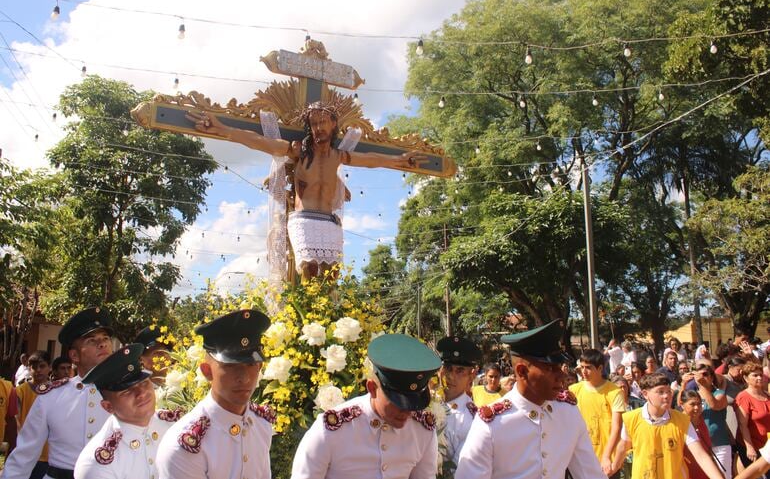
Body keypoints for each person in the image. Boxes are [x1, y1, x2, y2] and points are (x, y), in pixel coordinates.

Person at [186, 102, 426, 280]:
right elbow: (258, 141)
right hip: (304, 220)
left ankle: (325, 325)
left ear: (333, 124)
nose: (318, 127)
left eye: (323, 122)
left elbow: (372, 158)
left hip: (330, 221)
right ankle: (306, 325)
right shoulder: (298, 151)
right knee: (308, 269)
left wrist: (400, 160)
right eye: (313, 123)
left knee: (332, 276)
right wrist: (222, 129)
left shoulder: (339, 156)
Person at [456, 319, 605, 479]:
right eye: (550, 368)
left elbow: (590, 473)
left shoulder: (568, 412)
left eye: (559, 366)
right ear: (522, 372)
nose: (561, 375)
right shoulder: (491, 424)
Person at [291, 333, 441, 479]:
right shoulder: (332, 430)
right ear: (372, 388)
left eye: (414, 404)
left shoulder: (422, 431)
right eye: (398, 403)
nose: (407, 412)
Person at [157, 309, 274, 479]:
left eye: (251, 364)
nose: (244, 377)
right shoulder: (185, 446)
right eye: (231, 366)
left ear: (260, 367)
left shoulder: (261, 424)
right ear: (207, 371)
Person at [3, 308, 114, 479]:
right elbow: (23, 456)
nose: (102, 344)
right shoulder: (51, 397)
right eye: (92, 340)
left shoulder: (128, 394)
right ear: (74, 355)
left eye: (106, 338)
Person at [74, 344, 181, 479]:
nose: (141, 393)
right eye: (127, 391)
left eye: (144, 383)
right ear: (108, 406)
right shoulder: (97, 462)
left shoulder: (175, 424)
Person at [610, 373, 725, 479]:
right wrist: (613, 468)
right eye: (660, 392)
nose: (666, 396)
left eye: (668, 391)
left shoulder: (682, 420)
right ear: (645, 394)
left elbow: (700, 455)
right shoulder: (631, 418)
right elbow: (623, 447)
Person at [570, 348, 625, 477]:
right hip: (581, 460)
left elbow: (616, 428)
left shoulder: (615, 392)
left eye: (588, 367)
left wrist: (606, 456)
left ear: (600, 368)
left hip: (606, 461)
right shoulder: (573, 391)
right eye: (582, 367)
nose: (584, 371)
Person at [436, 336, 482, 473]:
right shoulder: (425, 402)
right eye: (448, 368)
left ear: (471, 375)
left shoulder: (472, 419)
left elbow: (457, 470)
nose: (450, 376)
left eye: (460, 370)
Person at [682, 362, 732, 478]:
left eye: (705, 374)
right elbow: (681, 405)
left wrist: (702, 385)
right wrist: (684, 383)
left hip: (719, 444)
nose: (702, 377)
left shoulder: (719, 393)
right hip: (700, 445)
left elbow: (714, 405)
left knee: (722, 476)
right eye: (698, 375)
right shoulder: (694, 395)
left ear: (711, 376)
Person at [15, 351, 52, 479]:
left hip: (49, 453)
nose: (38, 370)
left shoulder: (57, 391)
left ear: (50, 367)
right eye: (34, 367)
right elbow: (16, 419)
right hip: (26, 451)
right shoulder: (20, 391)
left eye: (42, 366)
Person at [735, 362, 770, 474]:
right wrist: (749, 447)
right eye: (755, 375)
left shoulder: (767, 395)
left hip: (767, 446)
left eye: (760, 374)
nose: (759, 377)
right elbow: (742, 425)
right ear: (746, 378)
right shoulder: (743, 397)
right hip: (753, 446)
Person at [680, 390, 717, 479]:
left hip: (706, 470)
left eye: (699, 404)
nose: (697, 407)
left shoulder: (701, 421)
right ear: (682, 405)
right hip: (688, 471)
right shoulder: (679, 423)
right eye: (692, 404)